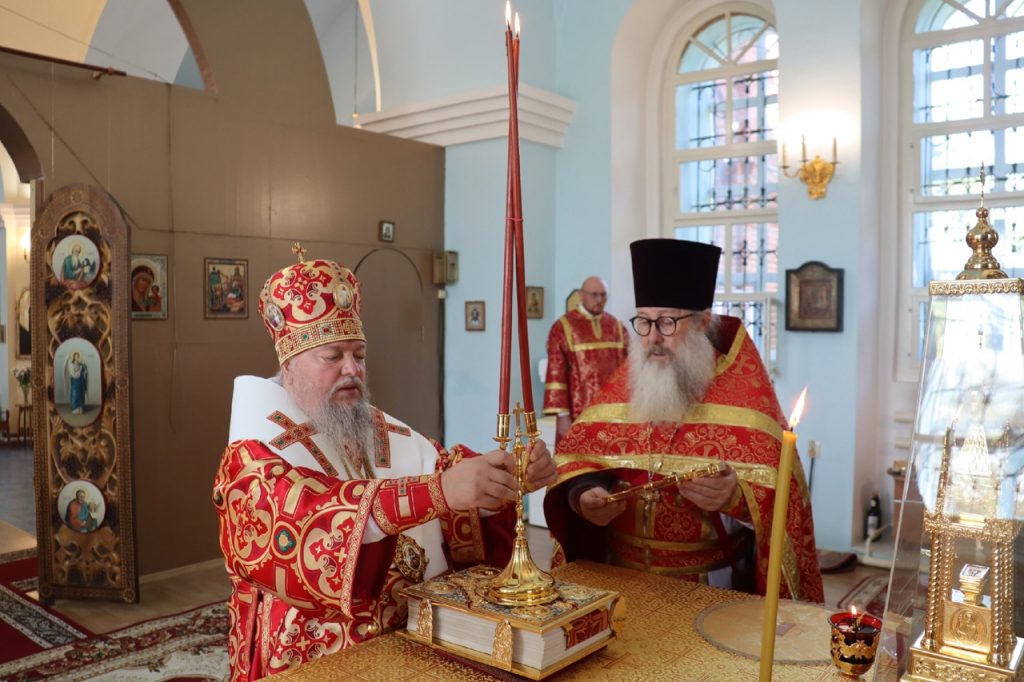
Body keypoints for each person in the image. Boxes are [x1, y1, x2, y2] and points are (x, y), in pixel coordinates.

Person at [213, 247, 557, 680]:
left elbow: (442, 471)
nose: (352, 370)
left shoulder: (371, 425)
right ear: (291, 364)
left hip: (413, 634)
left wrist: (504, 477)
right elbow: (309, 524)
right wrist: (441, 492)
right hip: (311, 651)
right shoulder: (253, 450)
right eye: (333, 357)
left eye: (359, 355)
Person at [544, 239, 823, 603]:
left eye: (667, 322)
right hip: (619, 579)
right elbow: (584, 458)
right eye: (644, 321)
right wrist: (583, 496)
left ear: (702, 323)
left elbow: (784, 503)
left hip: (710, 585)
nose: (652, 338)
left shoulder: (746, 396)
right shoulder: (627, 384)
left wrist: (737, 499)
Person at [542, 276, 629, 445]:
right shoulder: (563, 327)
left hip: (613, 414)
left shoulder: (617, 327)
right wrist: (563, 416)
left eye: (603, 295)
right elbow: (556, 373)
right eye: (594, 295)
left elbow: (627, 370)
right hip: (578, 414)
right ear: (582, 295)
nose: (599, 300)